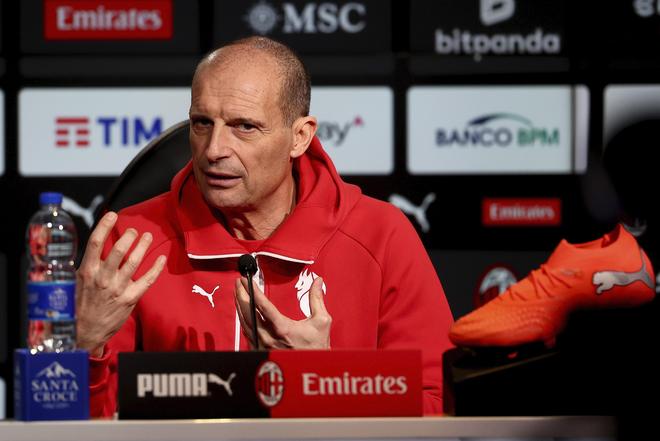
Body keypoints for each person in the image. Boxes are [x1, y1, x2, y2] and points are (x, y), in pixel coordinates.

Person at [75, 36, 454, 416]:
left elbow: (439, 407)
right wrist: (83, 347)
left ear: (299, 137)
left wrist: (324, 378)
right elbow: (80, 424)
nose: (213, 150)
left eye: (244, 127)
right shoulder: (130, 242)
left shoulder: (381, 234)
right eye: (202, 123)